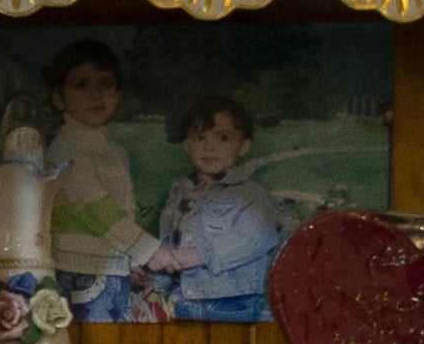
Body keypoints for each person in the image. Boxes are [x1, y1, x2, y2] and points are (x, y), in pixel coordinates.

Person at [124, 94, 301, 321]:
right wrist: (155, 276)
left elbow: (259, 237)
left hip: (235, 302)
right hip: (186, 299)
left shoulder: (250, 194)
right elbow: (171, 245)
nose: (209, 147)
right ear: (187, 145)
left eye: (223, 138)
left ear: (244, 146)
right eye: (199, 138)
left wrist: (195, 256)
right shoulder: (180, 193)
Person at [27, 39, 160, 306]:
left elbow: (122, 209)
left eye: (105, 84)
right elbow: (94, 209)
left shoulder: (111, 149)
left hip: (110, 267)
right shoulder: (67, 148)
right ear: (58, 97)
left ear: (117, 92)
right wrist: (148, 251)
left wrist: (130, 260)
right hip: (81, 268)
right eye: (81, 85)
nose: (95, 95)